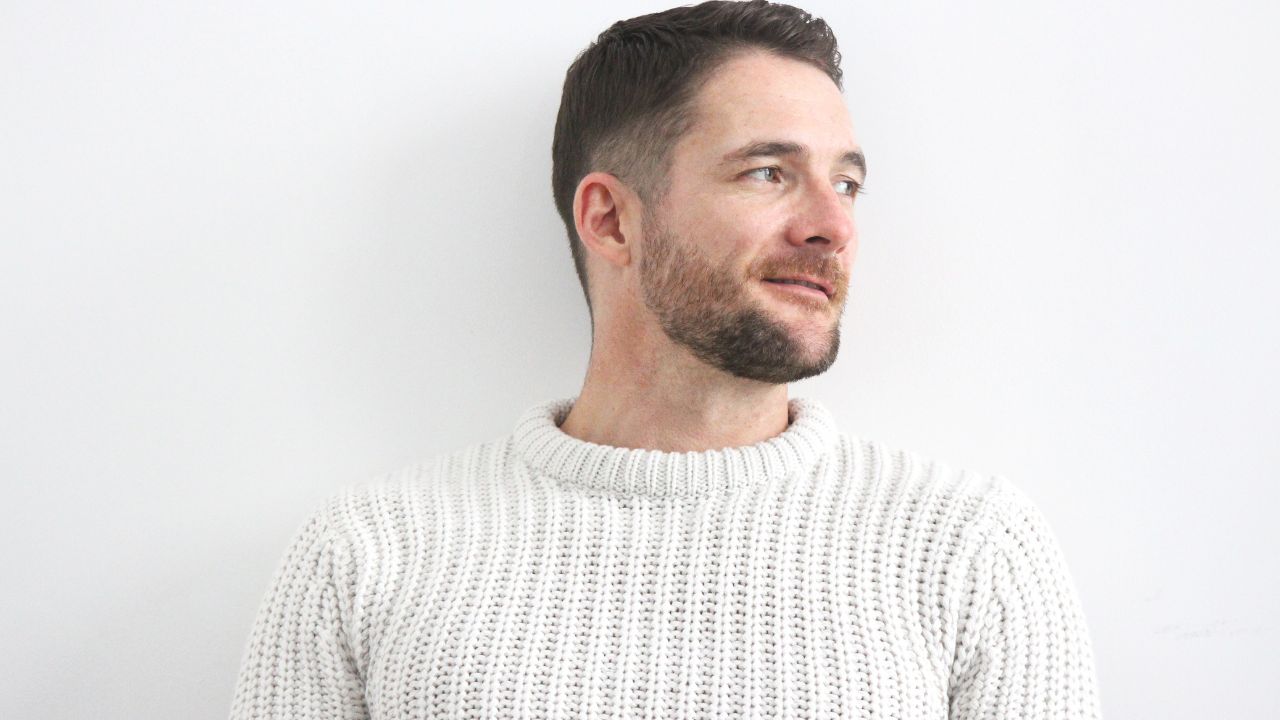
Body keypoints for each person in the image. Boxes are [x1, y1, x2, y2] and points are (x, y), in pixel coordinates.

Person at [229, 2, 1103, 718]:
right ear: (611, 221)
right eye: (767, 172)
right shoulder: (372, 553)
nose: (833, 226)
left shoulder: (969, 551)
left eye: (846, 183)